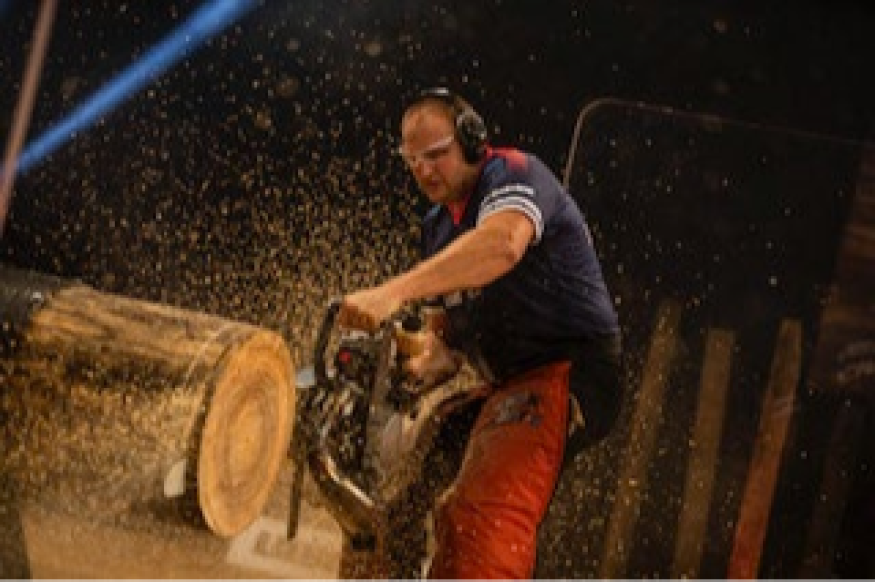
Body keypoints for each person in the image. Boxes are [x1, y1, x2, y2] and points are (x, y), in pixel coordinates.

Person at [339, 87, 622, 581]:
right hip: (506, 386)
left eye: (436, 154)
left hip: (569, 371)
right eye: (413, 160)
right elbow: (447, 347)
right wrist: (411, 369)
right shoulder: (436, 229)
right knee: (400, 499)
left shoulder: (514, 174)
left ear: (471, 139)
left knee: (480, 516)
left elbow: (503, 246)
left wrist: (392, 293)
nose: (425, 170)